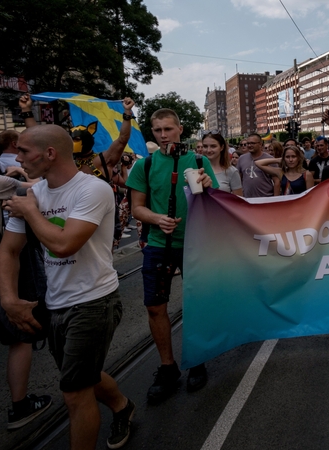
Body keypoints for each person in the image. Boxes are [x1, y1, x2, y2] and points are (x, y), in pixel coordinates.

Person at [0, 124, 133, 449]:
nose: (17, 158)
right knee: (84, 376)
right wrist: (8, 300)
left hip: (94, 302)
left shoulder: (93, 189)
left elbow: (64, 245)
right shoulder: (32, 195)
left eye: (24, 151)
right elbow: (8, 251)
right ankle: (121, 406)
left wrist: (31, 212)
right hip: (55, 303)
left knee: (74, 392)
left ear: (49, 154)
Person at [126, 109, 217, 403]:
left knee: (197, 304)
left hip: (195, 244)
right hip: (157, 244)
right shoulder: (146, 165)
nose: (163, 135)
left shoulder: (200, 162)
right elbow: (136, 207)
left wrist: (207, 187)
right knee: (155, 307)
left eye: (168, 129)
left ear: (180, 129)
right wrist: (155, 218)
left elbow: (216, 204)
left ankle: (197, 359)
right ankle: (168, 367)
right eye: (157, 130)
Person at [237, 133, 277, 198]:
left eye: (252, 143)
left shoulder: (270, 159)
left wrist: (276, 200)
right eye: (248, 143)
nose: (249, 145)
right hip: (247, 200)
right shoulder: (241, 158)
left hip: (266, 199)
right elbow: (238, 180)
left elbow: (276, 181)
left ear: (260, 144)